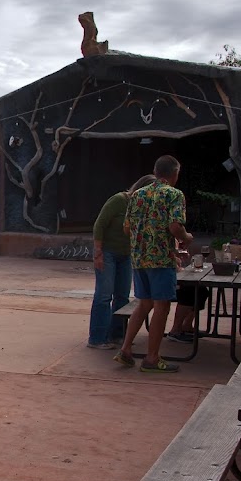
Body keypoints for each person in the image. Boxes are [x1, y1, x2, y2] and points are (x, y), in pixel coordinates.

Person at [113, 155, 193, 373]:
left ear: (156, 172)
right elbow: (175, 227)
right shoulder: (174, 194)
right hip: (160, 259)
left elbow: (127, 229)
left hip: (139, 258)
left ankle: (125, 350)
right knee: (161, 306)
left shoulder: (137, 194)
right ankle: (152, 358)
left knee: (144, 303)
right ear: (175, 174)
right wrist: (186, 237)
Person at [87, 174, 157, 349]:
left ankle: (117, 334)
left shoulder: (145, 207)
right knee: (104, 295)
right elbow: (99, 224)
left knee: (122, 295)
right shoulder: (119, 200)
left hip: (126, 254)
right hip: (108, 252)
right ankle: (97, 337)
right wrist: (98, 252)